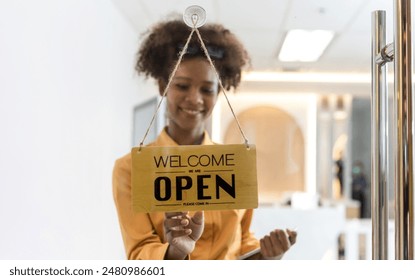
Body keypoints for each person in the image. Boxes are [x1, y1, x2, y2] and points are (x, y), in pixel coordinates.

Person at [112, 18, 297, 260]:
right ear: (162, 86)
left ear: (218, 92)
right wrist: (175, 252)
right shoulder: (131, 169)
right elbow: (138, 252)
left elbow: (241, 243)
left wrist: (266, 256)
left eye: (207, 89)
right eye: (182, 86)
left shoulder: (236, 164)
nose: (195, 99)